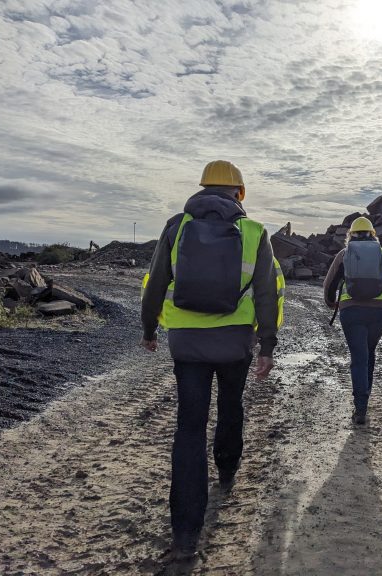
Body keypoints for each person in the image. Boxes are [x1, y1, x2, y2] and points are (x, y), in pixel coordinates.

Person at [140, 160, 278, 558]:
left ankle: (185, 535)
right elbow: (267, 293)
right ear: (240, 193)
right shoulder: (254, 232)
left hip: (186, 342)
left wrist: (149, 330)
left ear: (201, 189)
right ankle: (228, 468)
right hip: (235, 341)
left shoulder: (176, 226)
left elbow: (155, 283)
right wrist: (266, 346)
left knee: (189, 426)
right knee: (231, 404)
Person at [324, 216, 382, 424]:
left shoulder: (344, 255)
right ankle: (365, 398)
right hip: (379, 313)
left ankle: (360, 408)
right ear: (373, 235)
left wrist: (331, 302)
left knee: (358, 356)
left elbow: (329, 285)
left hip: (351, 312)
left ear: (350, 235)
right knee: (369, 352)